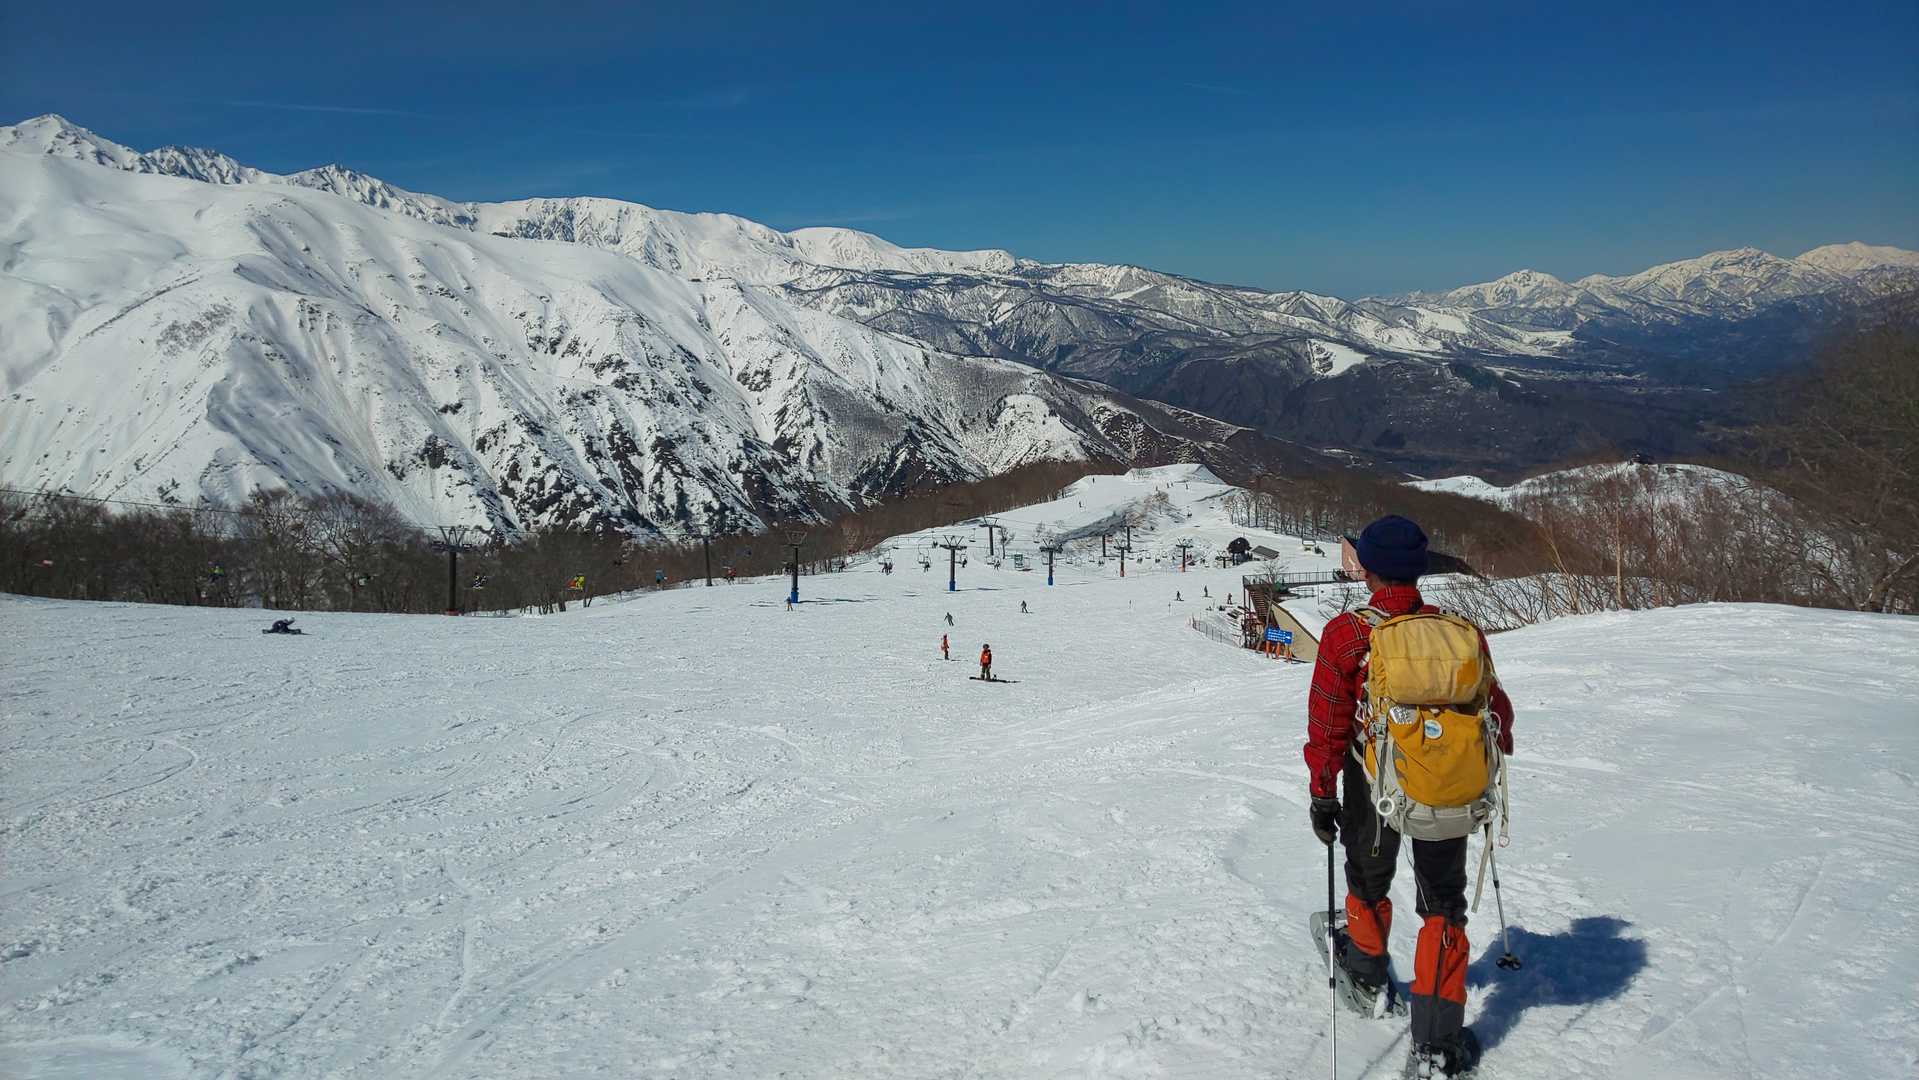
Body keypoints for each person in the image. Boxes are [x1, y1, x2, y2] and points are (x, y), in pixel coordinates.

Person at [1305, 515, 1513, 1079]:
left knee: (1368, 875)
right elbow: (1497, 713)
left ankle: (1367, 971)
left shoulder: (1349, 634)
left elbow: (1328, 721)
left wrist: (1323, 791)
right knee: (1443, 902)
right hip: (1446, 785)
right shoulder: (1459, 631)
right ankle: (1437, 1043)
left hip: (1372, 782)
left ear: (1368, 570)